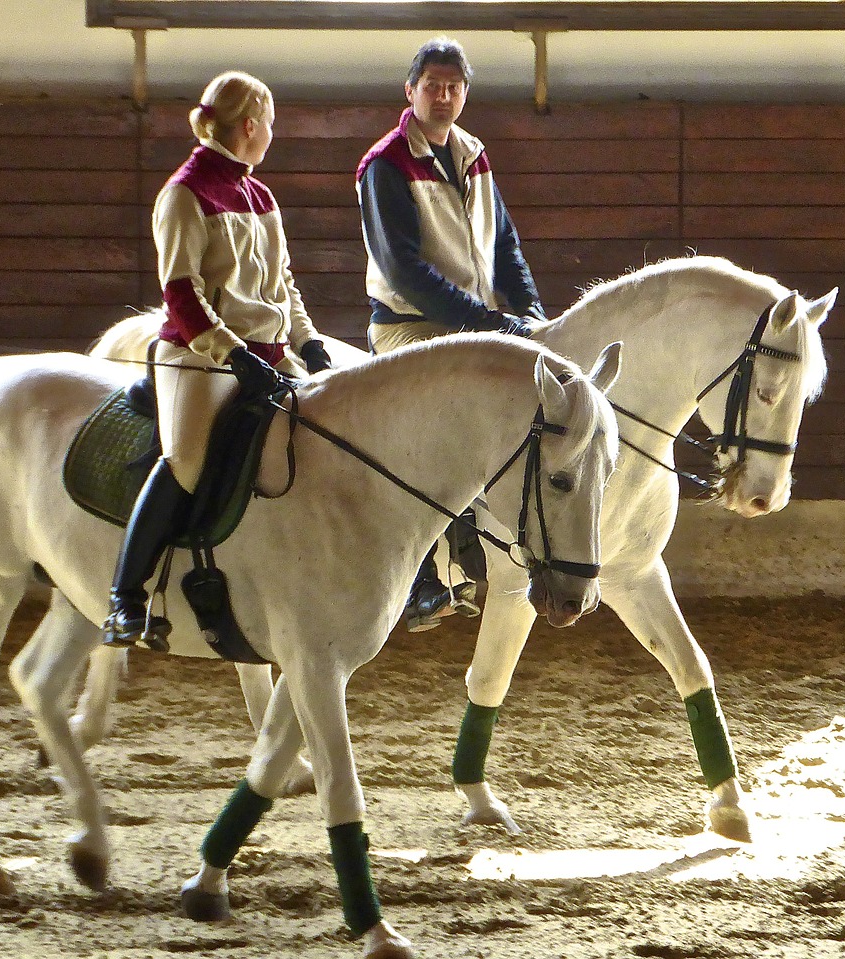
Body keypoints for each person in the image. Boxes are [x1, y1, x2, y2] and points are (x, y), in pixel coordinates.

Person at [103, 71, 333, 649]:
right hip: (196, 355)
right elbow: (181, 293)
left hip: (270, 353)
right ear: (251, 126)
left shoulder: (261, 197)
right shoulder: (185, 193)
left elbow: (282, 285)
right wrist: (232, 353)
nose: (272, 134)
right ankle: (126, 596)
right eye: (271, 125)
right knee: (186, 460)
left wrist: (309, 343)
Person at [356, 37, 547, 631]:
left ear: (465, 94)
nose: (443, 96)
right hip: (411, 326)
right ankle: (421, 575)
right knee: (444, 421)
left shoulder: (473, 155)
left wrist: (533, 312)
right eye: (432, 86)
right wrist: (489, 321)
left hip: (478, 321)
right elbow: (404, 271)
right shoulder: (385, 164)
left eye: (454, 87)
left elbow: (506, 245)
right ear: (408, 91)